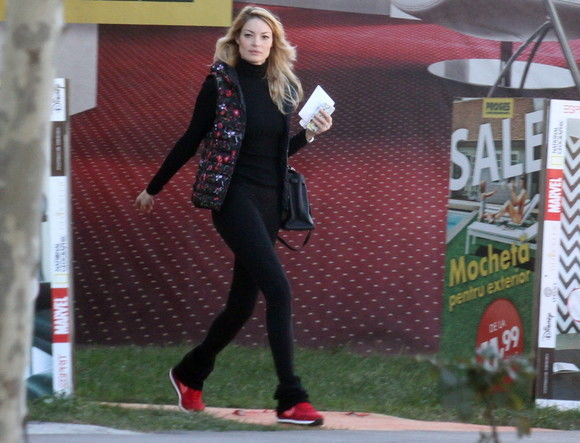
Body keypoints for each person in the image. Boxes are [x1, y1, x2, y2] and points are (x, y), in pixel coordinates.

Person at [134, 6, 333, 426]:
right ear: (236, 40)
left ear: (274, 43)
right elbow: (191, 139)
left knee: (241, 306)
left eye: (264, 36)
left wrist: (310, 134)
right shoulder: (220, 84)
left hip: (269, 201)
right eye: (249, 35)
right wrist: (154, 187)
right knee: (278, 290)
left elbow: (279, 153)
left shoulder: (282, 87)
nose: (256, 43)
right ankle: (291, 398)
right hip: (232, 197)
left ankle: (190, 373)